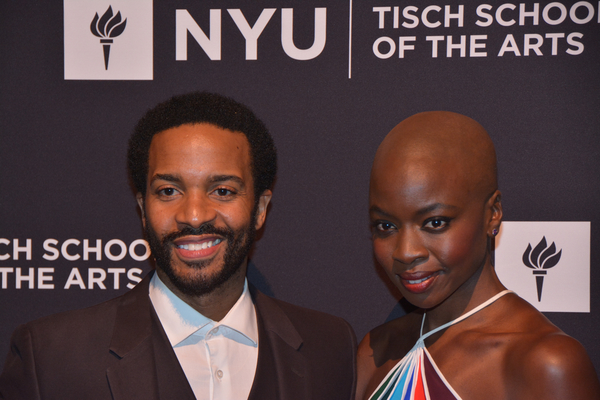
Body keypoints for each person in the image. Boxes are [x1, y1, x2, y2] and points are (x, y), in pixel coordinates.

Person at [0, 92, 356, 400]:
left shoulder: (329, 348)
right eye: (169, 191)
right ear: (143, 209)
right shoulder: (51, 359)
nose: (195, 215)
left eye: (223, 191)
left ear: (260, 209)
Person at [356, 111, 600, 400]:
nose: (406, 252)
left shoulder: (545, 364)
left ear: (492, 214)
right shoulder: (376, 350)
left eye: (435, 222)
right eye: (386, 226)